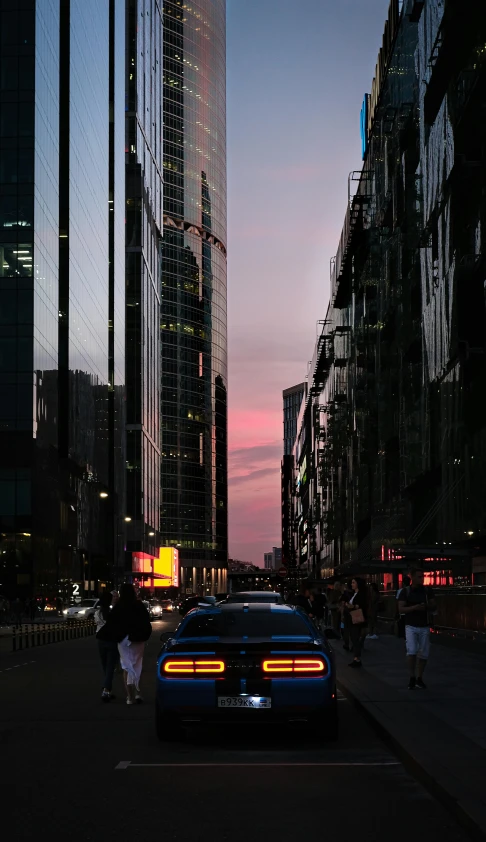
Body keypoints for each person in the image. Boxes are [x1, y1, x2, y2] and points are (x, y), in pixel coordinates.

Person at [104, 583, 152, 705]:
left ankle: (129, 697)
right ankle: (138, 693)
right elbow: (147, 622)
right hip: (138, 639)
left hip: (123, 640)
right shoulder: (139, 605)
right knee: (137, 665)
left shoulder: (119, 606)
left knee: (126, 666)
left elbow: (111, 622)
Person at [398, 567, 436, 690]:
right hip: (411, 625)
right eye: (419, 577)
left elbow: (433, 605)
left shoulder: (427, 591)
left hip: (424, 625)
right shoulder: (406, 591)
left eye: (422, 576)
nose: (422, 579)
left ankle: (419, 677)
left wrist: (426, 606)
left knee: (424, 653)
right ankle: (412, 676)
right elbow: (401, 609)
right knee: (412, 651)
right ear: (412, 578)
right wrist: (415, 608)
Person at [95, 592, 119, 702]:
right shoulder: (112, 613)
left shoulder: (97, 613)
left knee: (105, 666)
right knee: (110, 667)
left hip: (101, 641)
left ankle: (108, 689)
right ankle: (106, 690)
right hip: (112, 641)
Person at [343, 577, 368, 668]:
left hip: (356, 618)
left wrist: (350, 605)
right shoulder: (354, 593)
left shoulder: (361, 594)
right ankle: (356, 657)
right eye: (352, 582)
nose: (352, 584)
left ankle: (357, 658)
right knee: (354, 638)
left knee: (355, 638)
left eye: (353, 582)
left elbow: (358, 606)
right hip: (352, 618)